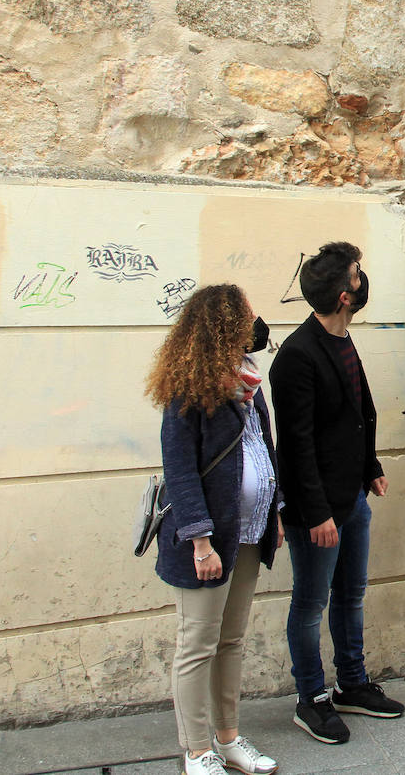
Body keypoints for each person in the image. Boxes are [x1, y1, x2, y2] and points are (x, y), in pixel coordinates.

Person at [271, 242, 405, 746]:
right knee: (309, 605)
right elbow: (297, 445)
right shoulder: (297, 357)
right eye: (357, 274)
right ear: (345, 295)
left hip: (352, 500)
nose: (362, 279)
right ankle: (312, 699)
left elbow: (355, 413)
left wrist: (370, 466)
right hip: (317, 512)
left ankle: (352, 684)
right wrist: (316, 513)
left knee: (350, 596)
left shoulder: (343, 340)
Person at [146, 284, 283, 775]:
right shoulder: (188, 390)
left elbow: (261, 450)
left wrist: (275, 511)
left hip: (247, 531)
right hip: (206, 539)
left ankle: (228, 740)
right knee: (197, 645)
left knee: (231, 641)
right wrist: (200, 540)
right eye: (249, 313)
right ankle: (197, 750)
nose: (257, 320)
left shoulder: (248, 381)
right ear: (226, 325)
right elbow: (180, 471)